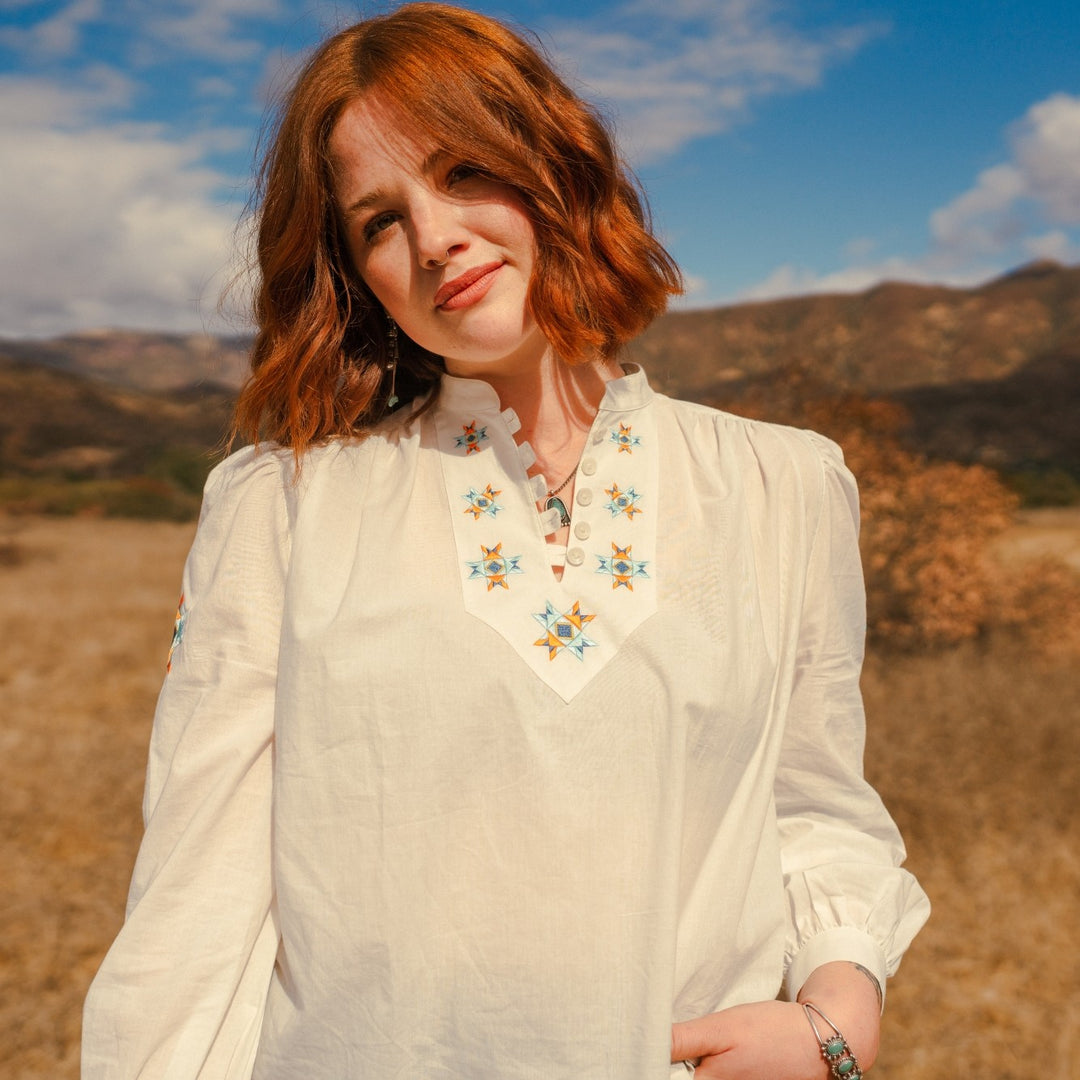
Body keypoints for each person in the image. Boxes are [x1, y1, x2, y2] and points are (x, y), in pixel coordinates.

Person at [82, 4, 929, 1078]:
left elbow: (815, 804)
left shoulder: (780, 485)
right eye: (378, 221)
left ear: (554, 168)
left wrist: (838, 1013)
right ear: (357, 276)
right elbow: (193, 905)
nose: (433, 236)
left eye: (463, 170)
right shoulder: (285, 507)